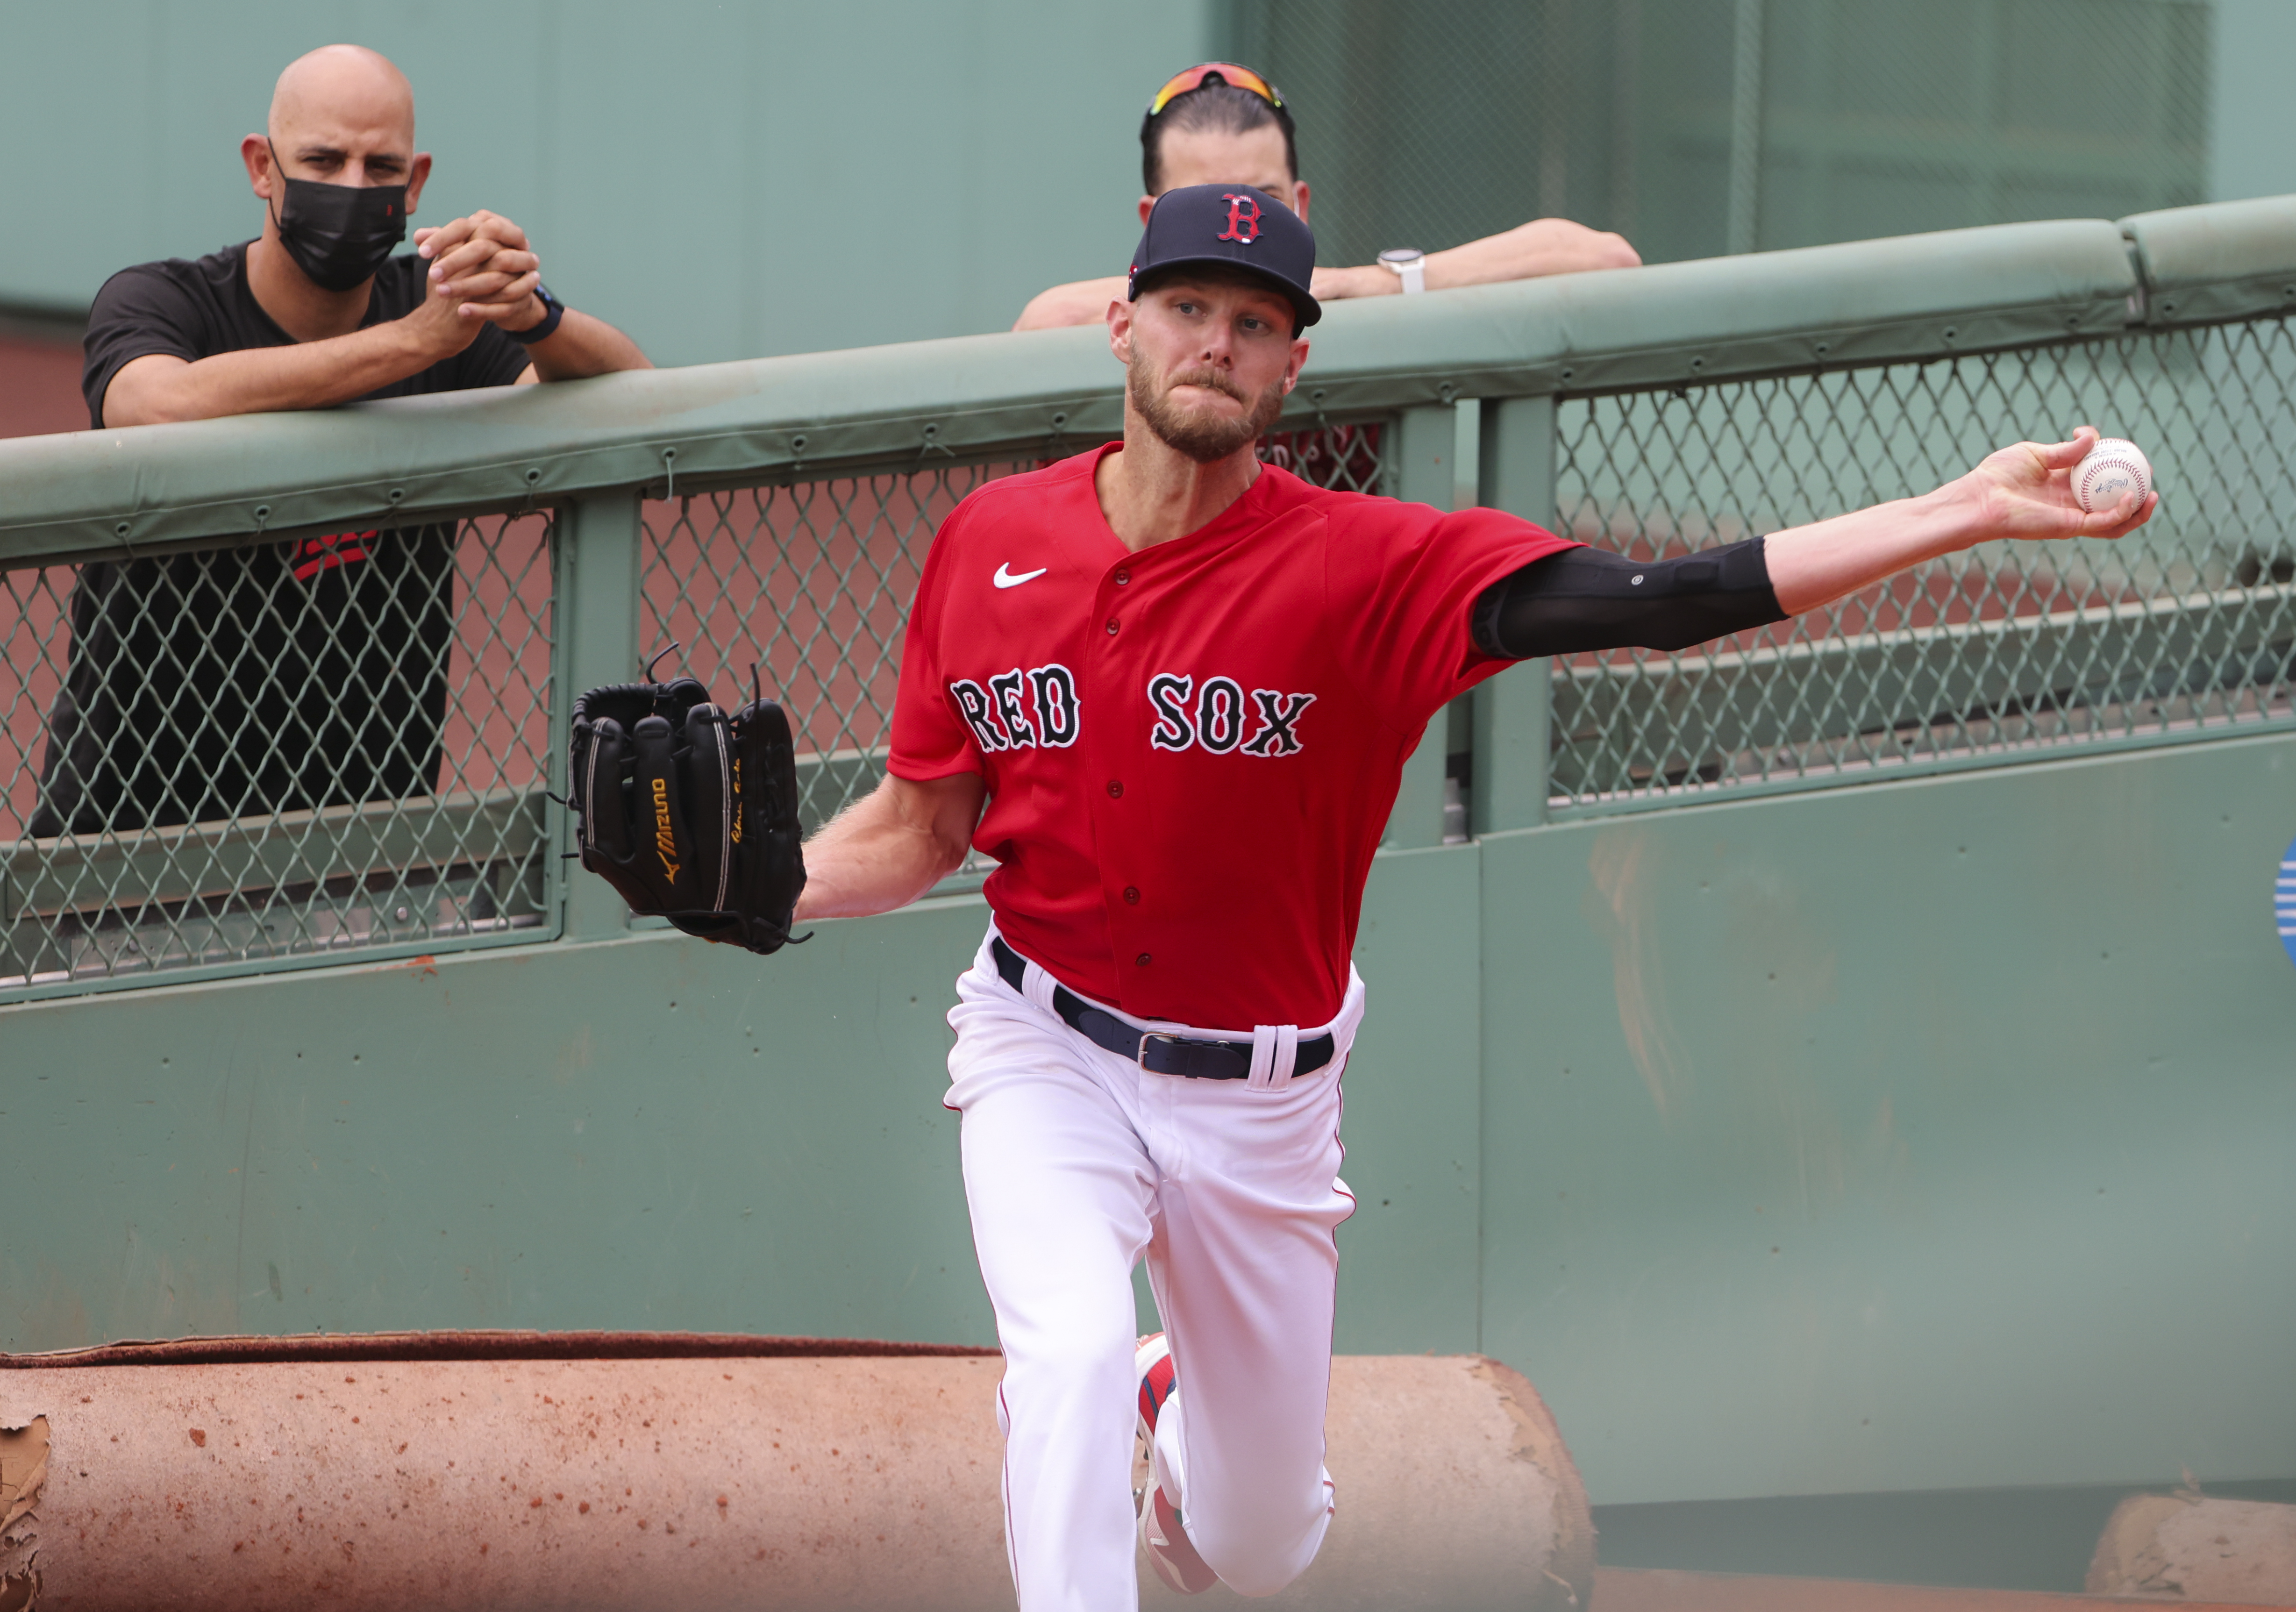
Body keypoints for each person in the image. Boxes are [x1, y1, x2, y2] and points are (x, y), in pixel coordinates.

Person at [791, 185, 2152, 1610]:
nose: (1217, 342)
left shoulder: (1366, 566)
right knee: (1057, 1359)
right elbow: (913, 830)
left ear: (1294, 366)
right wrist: (763, 887)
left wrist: (1963, 509)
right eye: (1189, 307)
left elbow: (1661, 595)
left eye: (1256, 323)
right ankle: (1109, 1375)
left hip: (1260, 1102)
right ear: (1121, 323)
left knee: (1259, 1545)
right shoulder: (989, 539)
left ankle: (1166, 1381)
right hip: (1045, 1047)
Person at [30, 43, 649, 837]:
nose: (352, 187)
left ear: (416, 182)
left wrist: (535, 314)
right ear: (262, 166)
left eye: (380, 166)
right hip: (132, 828)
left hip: (361, 831)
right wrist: (412, 345)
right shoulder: (161, 299)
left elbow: (632, 398)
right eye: (322, 159)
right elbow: (152, 405)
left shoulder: (437, 314)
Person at [1012, 61, 1640, 332]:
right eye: (1206, 204)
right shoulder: (1121, 331)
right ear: (1152, 221)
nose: (1242, 226)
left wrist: (1376, 286)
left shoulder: (1348, 310)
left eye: (1263, 197)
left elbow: (1607, 261)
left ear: (1301, 202)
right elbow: (1047, 318)